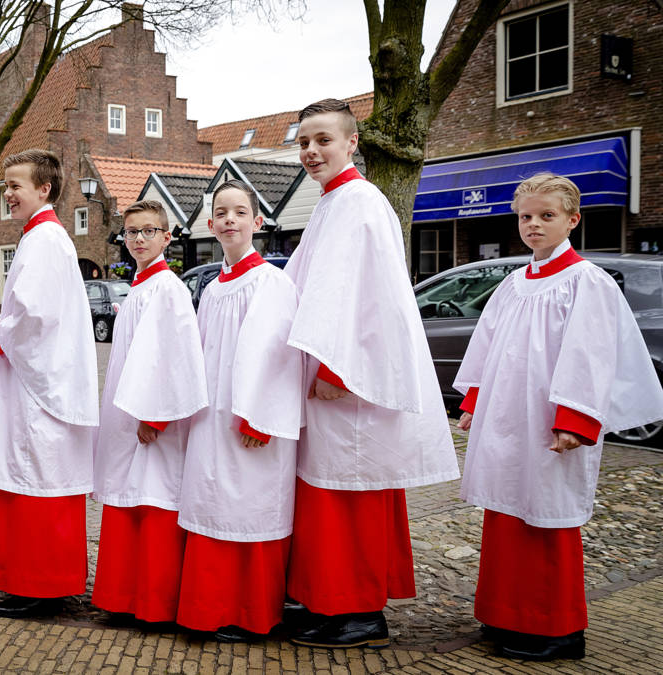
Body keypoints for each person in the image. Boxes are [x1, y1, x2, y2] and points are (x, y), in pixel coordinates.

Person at [454, 174, 663, 661]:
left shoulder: (585, 282)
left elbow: (590, 354)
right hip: (507, 418)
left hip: (551, 423)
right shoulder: (512, 284)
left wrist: (575, 418)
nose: (534, 225)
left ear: (572, 219)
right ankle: (505, 614)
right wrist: (473, 403)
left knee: (546, 516)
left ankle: (554, 629)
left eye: (546, 215)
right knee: (505, 511)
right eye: (526, 216)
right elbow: (487, 344)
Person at [282, 99, 459, 649]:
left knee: (349, 495)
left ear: (352, 142)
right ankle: (327, 600)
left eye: (323, 140)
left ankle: (356, 611)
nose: (312, 152)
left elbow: (364, 297)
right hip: (330, 376)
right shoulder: (332, 204)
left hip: (348, 384)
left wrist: (338, 367)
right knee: (328, 494)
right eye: (304, 143)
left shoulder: (359, 202)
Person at [173, 181, 305, 642]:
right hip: (212, 419)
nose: (230, 220)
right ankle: (209, 606)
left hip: (252, 421)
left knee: (249, 506)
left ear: (257, 222)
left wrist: (260, 418)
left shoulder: (271, 282)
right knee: (213, 503)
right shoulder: (211, 288)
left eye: (240, 212)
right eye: (221, 213)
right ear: (209, 225)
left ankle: (250, 612)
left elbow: (279, 355)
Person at [0, 148, 99, 618]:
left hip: (38, 390)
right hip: (35, 382)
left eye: (14, 186)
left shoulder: (45, 239)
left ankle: (40, 587)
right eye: (6, 186)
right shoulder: (43, 236)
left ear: (43, 189)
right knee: (34, 481)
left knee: (36, 481)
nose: (7, 194)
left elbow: (34, 314)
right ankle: (32, 582)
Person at [90, 200, 207, 626]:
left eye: (147, 231)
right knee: (127, 500)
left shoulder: (168, 289)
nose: (138, 239)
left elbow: (173, 356)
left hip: (153, 421)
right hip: (127, 419)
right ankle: (122, 596)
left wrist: (156, 415)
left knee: (154, 503)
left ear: (166, 237)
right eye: (131, 232)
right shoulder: (138, 287)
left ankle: (153, 604)